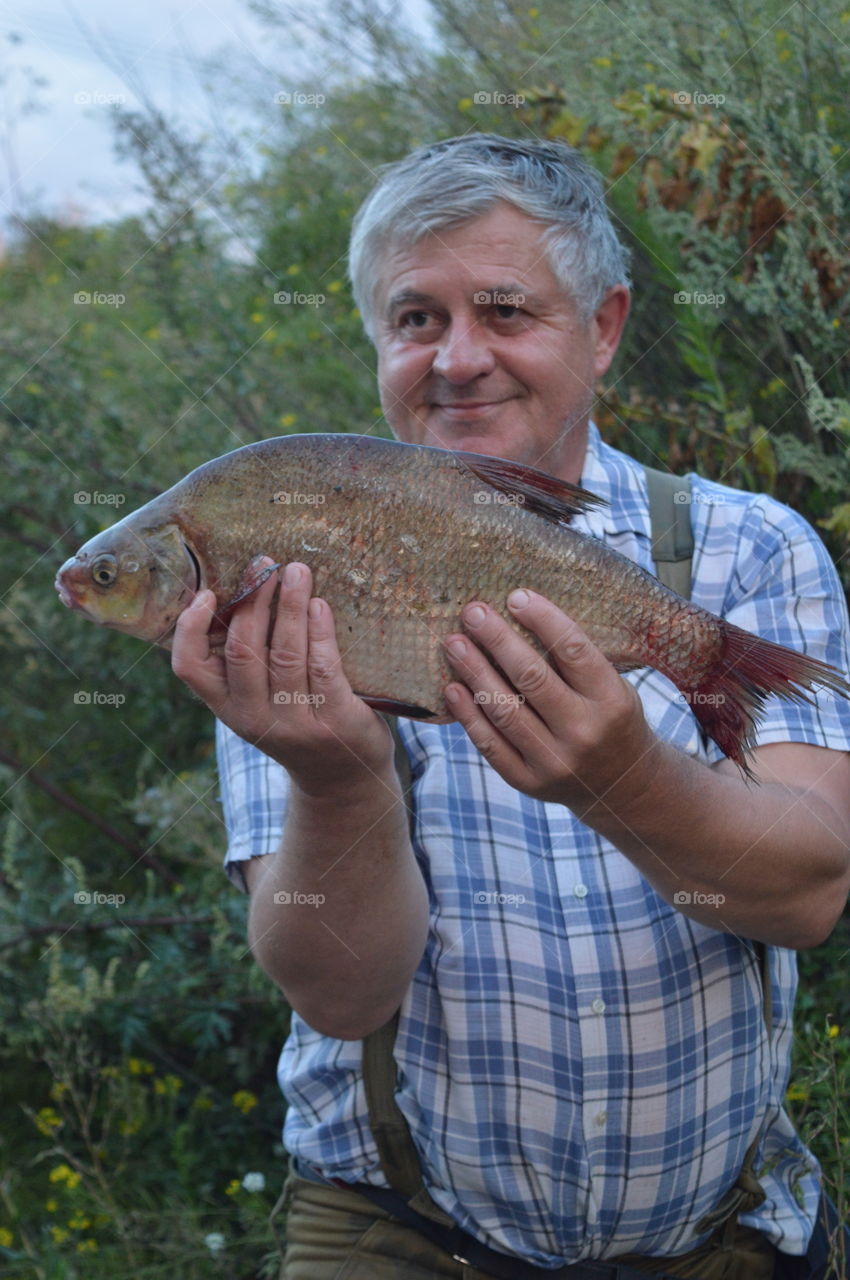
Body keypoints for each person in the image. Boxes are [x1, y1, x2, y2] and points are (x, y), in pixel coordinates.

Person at [171, 135, 850, 1278]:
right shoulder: (280, 572)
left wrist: (622, 777)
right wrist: (340, 779)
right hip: (402, 1228)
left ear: (604, 328)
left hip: (719, 1231)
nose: (457, 358)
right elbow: (340, 991)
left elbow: (808, 892)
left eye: (503, 309)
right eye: (415, 319)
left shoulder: (751, 548)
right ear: (378, 345)